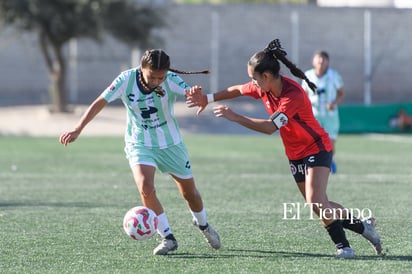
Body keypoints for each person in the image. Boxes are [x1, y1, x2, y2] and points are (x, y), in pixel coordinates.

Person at [186, 39, 382, 259]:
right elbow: (237, 90)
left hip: (316, 147)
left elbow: (271, 127)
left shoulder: (293, 96)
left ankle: (344, 247)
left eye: (254, 78)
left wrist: (236, 117)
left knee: (316, 200)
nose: (252, 82)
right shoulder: (263, 87)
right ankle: (364, 227)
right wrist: (207, 98)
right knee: (317, 204)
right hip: (295, 153)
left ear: (267, 77)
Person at [59, 49, 221, 255]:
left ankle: (203, 225)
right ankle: (168, 237)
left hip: (171, 144)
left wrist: (195, 95)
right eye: (152, 76)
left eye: (160, 77)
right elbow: (100, 102)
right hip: (140, 143)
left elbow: (190, 94)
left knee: (190, 193)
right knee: (145, 186)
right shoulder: (125, 79)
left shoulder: (170, 79)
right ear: (141, 68)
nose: (156, 81)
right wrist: (77, 128)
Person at [302, 51, 344, 174]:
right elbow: (303, 95)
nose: (321, 61)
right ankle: (313, 163)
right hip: (314, 115)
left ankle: (329, 161)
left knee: (330, 142)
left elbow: (341, 93)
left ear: (327, 62)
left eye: (324, 59)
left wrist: (334, 103)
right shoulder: (308, 75)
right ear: (313, 61)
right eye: (318, 59)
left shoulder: (334, 75)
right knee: (312, 141)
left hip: (330, 116)